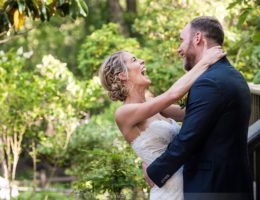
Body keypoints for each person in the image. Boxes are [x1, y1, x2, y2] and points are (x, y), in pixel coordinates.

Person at [145, 16, 254, 200]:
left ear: (197, 38)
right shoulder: (230, 74)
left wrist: (155, 171)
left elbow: (187, 140)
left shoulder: (209, 82)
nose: (179, 49)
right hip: (232, 183)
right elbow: (206, 119)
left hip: (212, 188)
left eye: (181, 40)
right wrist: (162, 107)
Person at [99, 42, 225, 199]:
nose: (142, 61)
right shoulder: (123, 113)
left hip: (191, 184)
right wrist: (205, 61)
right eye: (134, 60)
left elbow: (191, 114)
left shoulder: (150, 100)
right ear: (122, 75)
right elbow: (172, 94)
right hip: (169, 192)